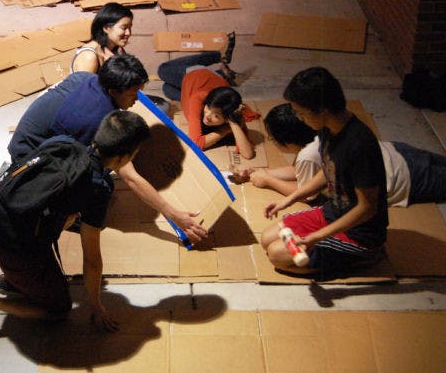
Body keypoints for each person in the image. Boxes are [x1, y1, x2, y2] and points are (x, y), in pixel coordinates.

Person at [0, 110, 151, 331]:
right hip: (14, 248)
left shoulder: (63, 143)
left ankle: (16, 281)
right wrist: (96, 305)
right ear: (122, 158)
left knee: (45, 269)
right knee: (58, 311)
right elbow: (91, 258)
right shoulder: (98, 187)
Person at [8, 53, 208, 244]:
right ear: (113, 91)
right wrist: (174, 215)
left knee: (105, 180)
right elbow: (130, 177)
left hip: (28, 140)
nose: (137, 99)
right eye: (132, 94)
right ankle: (55, 211)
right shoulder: (97, 120)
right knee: (98, 204)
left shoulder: (86, 77)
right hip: (29, 159)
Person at [261, 67, 389, 273]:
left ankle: (365, 256)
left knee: (277, 254)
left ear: (322, 110)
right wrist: (290, 198)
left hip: (359, 234)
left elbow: (367, 208)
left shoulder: (359, 144)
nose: (300, 119)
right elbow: (329, 169)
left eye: (301, 113)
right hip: (333, 212)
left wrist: (319, 236)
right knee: (267, 238)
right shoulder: (327, 128)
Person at [236, 103, 446, 207]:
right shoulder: (321, 133)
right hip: (396, 151)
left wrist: (268, 180)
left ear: (287, 142)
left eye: (273, 139)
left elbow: (308, 194)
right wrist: (262, 171)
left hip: (402, 177)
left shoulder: (309, 154)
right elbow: (302, 172)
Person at [173, 68, 258, 159]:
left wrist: (233, 123)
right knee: (163, 71)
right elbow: (195, 144)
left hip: (212, 85)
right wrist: (224, 130)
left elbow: (248, 154)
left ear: (227, 120)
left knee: (167, 89)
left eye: (216, 115)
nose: (208, 116)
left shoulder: (232, 112)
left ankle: (220, 73)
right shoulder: (197, 100)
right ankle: (218, 63)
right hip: (194, 75)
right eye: (208, 107)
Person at [157, 31, 237, 100]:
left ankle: (222, 74)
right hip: (202, 90)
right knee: (163, 70)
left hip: (201, 95)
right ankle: (219, 58)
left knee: (166, 88)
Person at [70, 2, 133, 73]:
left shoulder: (118, 51)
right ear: (106, 28)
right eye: (124, 28)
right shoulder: (89, 57)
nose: (128, 33)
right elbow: (83, 84)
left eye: (130, 28)